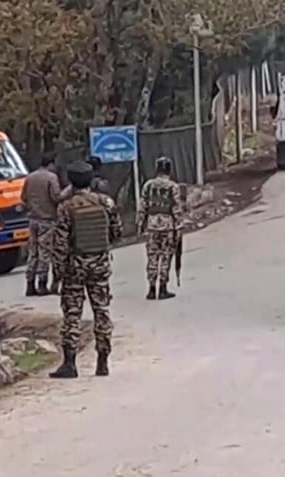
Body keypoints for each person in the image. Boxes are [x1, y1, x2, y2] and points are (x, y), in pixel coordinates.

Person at [49, 160, 122, 378]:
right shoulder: (106, 202)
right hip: (100, 265)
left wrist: (58, 274)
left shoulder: (66, 208)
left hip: (74, 268)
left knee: (72, 314)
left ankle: (70, 363)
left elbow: (60, 245)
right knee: (102, 310)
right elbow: (116, 233)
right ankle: (103, 361)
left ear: (71, 182)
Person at [138, 156, 183, 300]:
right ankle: (163, 288)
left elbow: (142, 207)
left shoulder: (148, 185)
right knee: (165, 256)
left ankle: (151, 289)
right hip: (167, 225)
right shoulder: (173, 186)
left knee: (152, 256)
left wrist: (140, 225)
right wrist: (179, 227)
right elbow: (176, 208)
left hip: (151, 225)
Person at [21, 152, 62, 296]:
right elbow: (56, 197)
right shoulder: (51, 177)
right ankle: (42, 284)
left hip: (33, 220)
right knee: (45, 252)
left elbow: (23, 197)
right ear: (51, 164)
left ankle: (30, 284)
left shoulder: (30, 177)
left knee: (33, 252)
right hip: (47, 220)